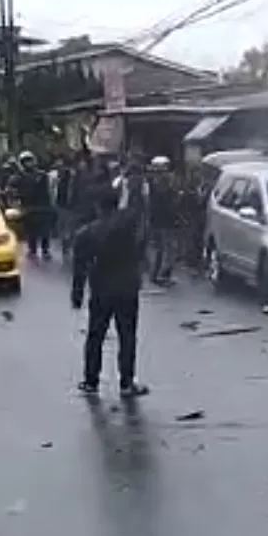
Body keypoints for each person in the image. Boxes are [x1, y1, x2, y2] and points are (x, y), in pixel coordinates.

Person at [71, 187, 148, 398]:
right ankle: (126, 382)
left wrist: (77, 294)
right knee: (127, 336)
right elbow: (142, 239)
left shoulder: (86, 233)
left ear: (97, 207)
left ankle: (91, 381)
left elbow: (80, 267)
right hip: (127, 288)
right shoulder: (128, 225)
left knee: (95, 336)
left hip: (101, 290)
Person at [11, 151, 53, 260]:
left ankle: (45, 250)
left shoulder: (42, 175)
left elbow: (49, 191)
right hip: (28, 207)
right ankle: (32, 250)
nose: (28, 163)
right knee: (31, 231)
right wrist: (16, 197)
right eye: (25, 162)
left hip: (42, 207)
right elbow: (11, 190)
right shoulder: (18, 177)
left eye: (30, 161)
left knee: (45, 231)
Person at [146, 155, 178, 286]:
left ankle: (159, 275)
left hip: (161, 220)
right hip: (163, 221)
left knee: (162, 249)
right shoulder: (160, 185)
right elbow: (165, 204)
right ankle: (160, 275)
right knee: (165, 250)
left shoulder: (155, 183)